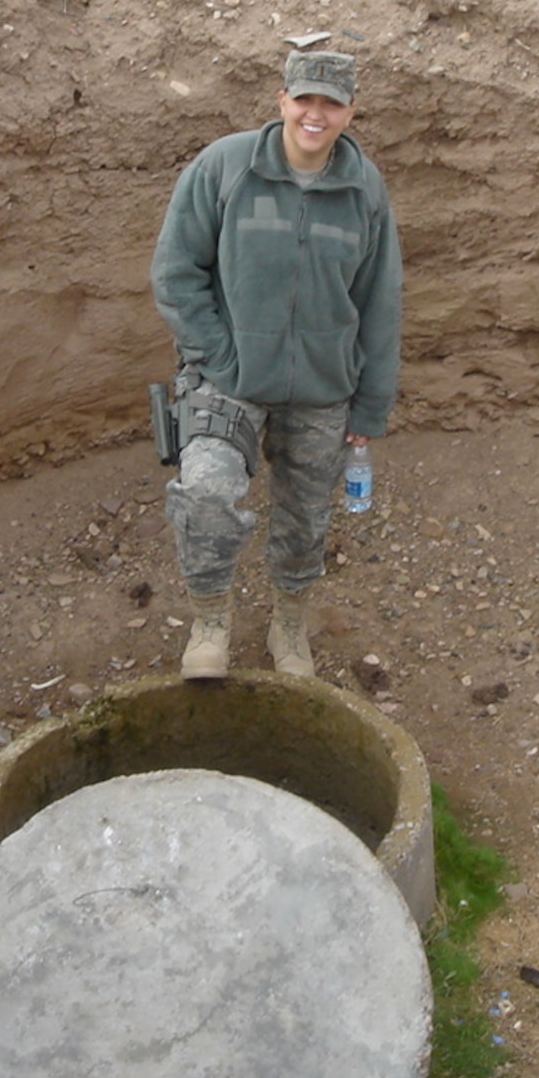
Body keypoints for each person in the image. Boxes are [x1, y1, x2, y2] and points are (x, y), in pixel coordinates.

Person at [150, 49, 402, 680]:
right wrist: (221, 356)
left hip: (321, 387)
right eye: (305, 99)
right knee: (205, 494)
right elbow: (177, 274)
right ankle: (211, 620)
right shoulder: (226, 167)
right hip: (228, 381)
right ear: (283, 100)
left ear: (350, 111)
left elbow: (380, 301)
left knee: (306, 516)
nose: (315, 114)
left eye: (332, 103)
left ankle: (289, 618)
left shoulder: (363, 188)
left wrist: (370, 404)